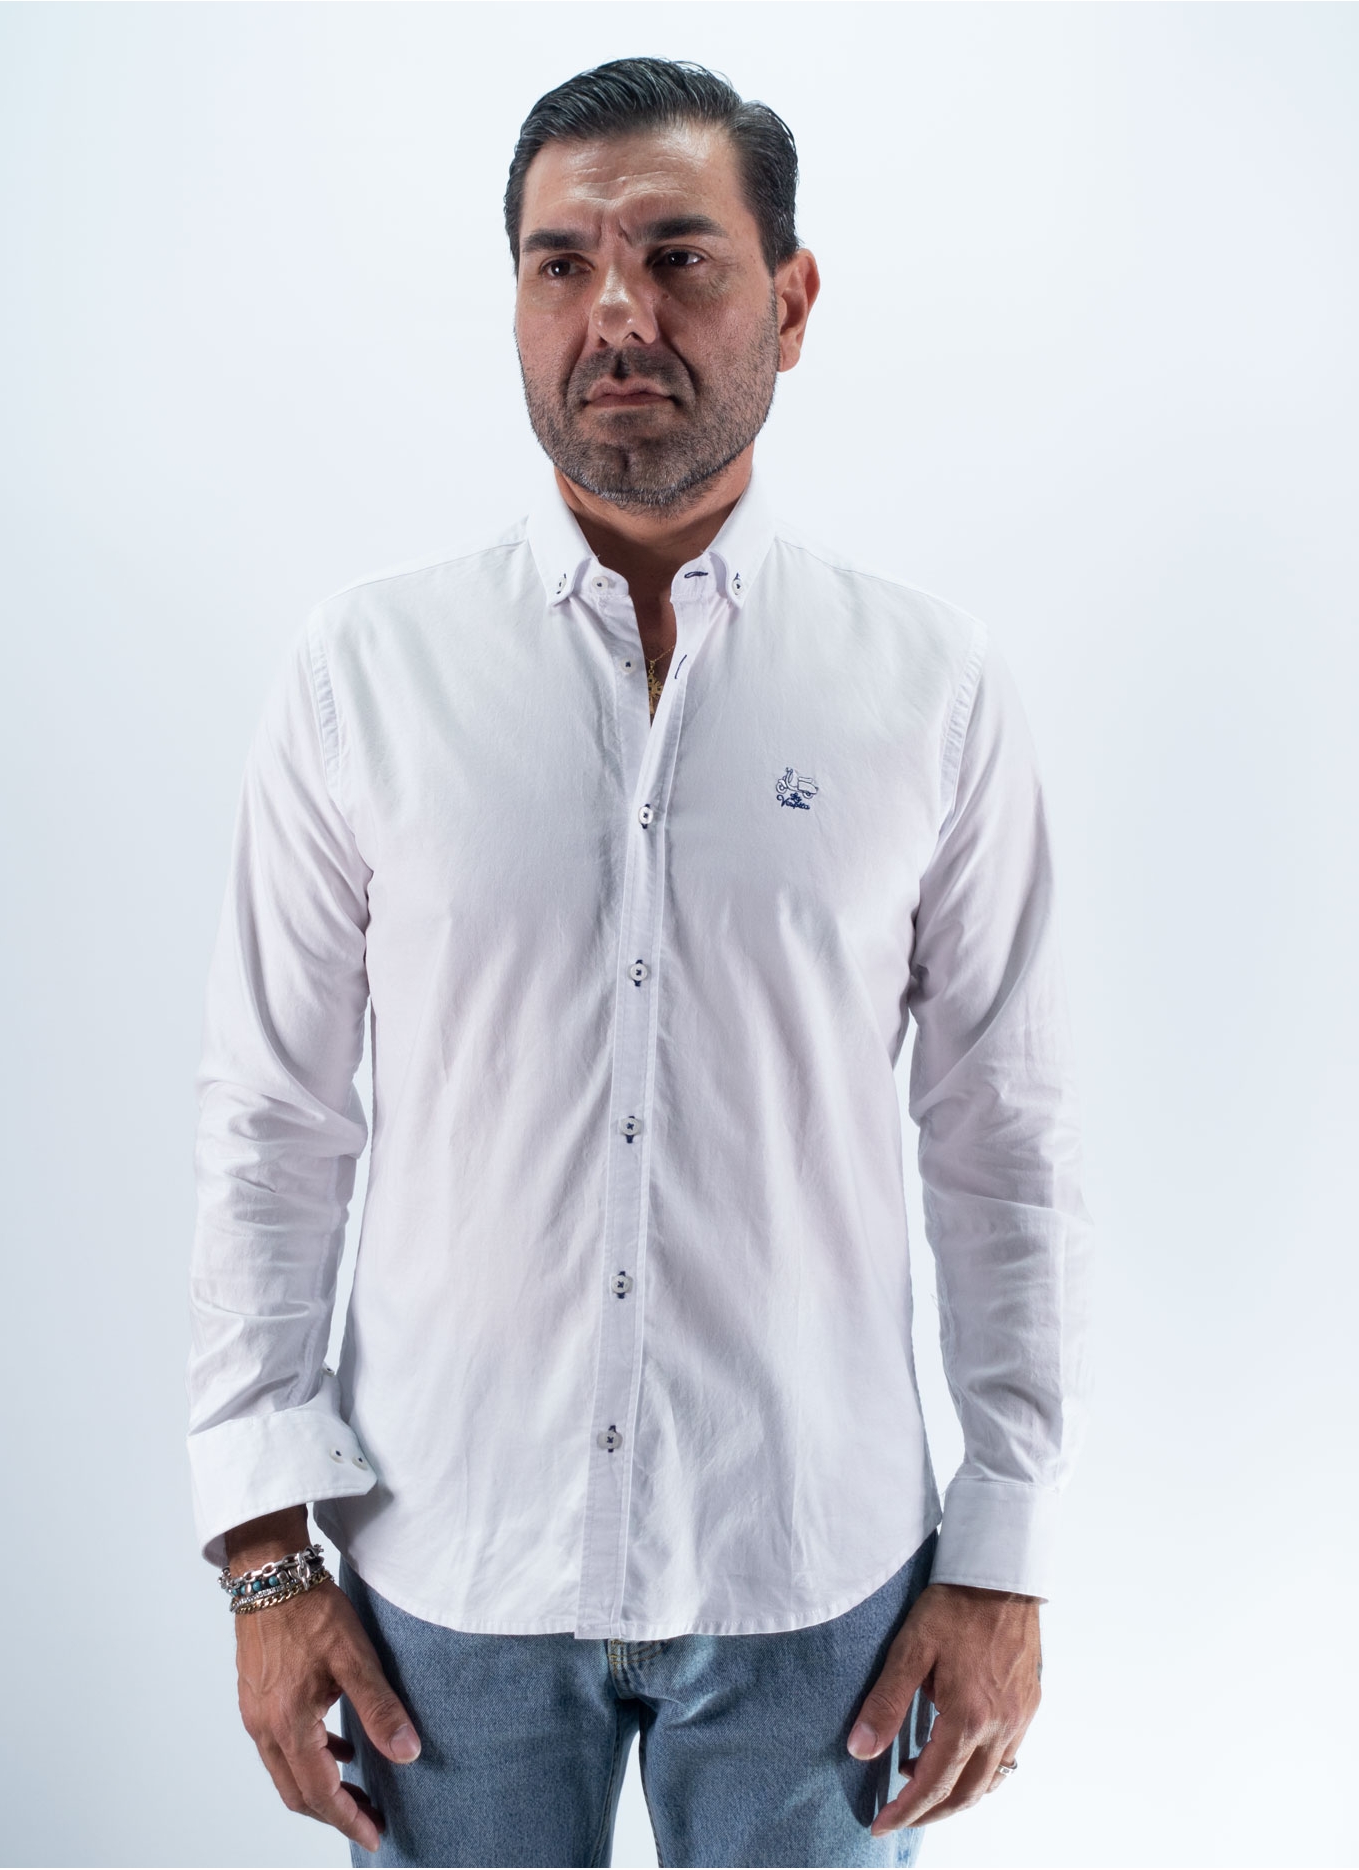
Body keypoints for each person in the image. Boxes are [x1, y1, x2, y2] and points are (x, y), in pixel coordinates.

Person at [187, 55, 1091, 1870]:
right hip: (443, 1575)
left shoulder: (931, 686)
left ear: (792, 300)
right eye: (562, 264)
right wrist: (265, 1553)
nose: (618, 312)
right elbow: (272, 1125)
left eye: (679, 256)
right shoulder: (363, 674)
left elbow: (1005, 1138)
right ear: (518, 302)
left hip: (817, 1581)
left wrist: (1006, 1553)